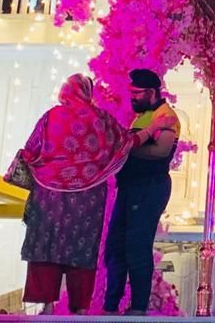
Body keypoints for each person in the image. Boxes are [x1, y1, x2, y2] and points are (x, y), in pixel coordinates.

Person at [19, 74, 143, 314]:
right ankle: (80, 307)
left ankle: (47, 305)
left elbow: (31, 148)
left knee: (47, 244)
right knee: (82, 247)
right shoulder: (100, 119)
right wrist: (150, 131)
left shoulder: (51, 117)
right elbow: (125, 142)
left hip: (49, 193)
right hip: (88, 196)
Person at [102, 68, 179, 316]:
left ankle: (137, 308)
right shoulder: (145, 117)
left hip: (149, 187)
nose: (132, 97)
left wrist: (127, 149)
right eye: (131, 92)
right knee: (116, 245)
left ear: (152, 92)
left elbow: (160, 152)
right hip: (130, 187)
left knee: (137, 245)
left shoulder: (166, 116)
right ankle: (111, 306)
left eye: (137, 93)